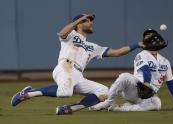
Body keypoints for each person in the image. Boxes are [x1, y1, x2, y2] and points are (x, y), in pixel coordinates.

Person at [11, 14, 145, 115]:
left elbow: (117, 52)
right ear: (79, 24)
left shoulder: (93, 47)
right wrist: (76, 21)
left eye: (91, 20)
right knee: (65, 92)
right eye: (87, 20)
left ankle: (69, 109)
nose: (91, 22)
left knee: (105, 92)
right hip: (65, 67)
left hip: (78, 75)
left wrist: (137, 45)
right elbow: (62, 33)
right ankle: (29, 93)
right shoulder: (71, 35)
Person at [90, 29, 173, 111]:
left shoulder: (165, 62)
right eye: (147, 37)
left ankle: (120, 108)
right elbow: (145, 70)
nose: (150, 38)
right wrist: (147, 84)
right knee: (125, 76)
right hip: (134, 89)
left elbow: (171, 83)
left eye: (152, 36)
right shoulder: (142, 54)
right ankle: (108, 102)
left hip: (148, 95)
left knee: (157, 104)